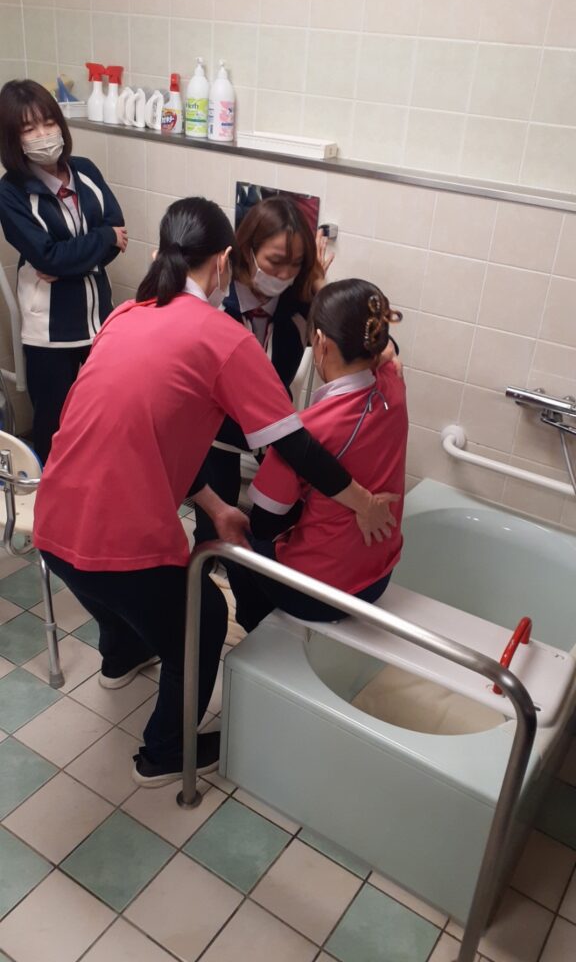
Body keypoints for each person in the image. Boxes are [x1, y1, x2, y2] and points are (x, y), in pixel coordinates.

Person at [33, 197, 398, 788]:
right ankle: (164, 753)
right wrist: (363, 501)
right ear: (228, 259)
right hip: (118, 540)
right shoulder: (222, 336)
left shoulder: (126, 314)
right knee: (203, 620)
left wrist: (215, 506)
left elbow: (142, 436)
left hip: (52, 523)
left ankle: (121, 656)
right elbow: (295, 447)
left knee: (115, 594)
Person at [227, 279, 408, 631]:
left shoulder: (307, 431)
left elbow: (265, 524)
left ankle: (258, 631)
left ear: (321, 342)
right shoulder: (394, 386)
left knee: (234, 541)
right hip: (377, 577)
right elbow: (389, 350)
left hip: (315, 593)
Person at [193, 195, 333, 544]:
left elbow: (355, 333)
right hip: (216, 434)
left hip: (273, 430)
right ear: (248, 249)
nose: (284, 274)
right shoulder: (215, 299)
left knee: (277, 528)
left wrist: (318, 284)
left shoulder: (298, 303)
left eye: (296, 264)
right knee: (212, 533)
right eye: (275, 261)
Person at [0, 79, 126, 462]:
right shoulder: (11, 192)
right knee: (54, 428)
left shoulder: (85, 171)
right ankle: (50, 496)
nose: (43, 134)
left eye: (48, 122)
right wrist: (98, 242)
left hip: (98, 322)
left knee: (103, 417)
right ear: (12, 139)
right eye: (29, 128)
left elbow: (117, 235)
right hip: (50, 333)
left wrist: (74, 256)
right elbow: (47, 257)